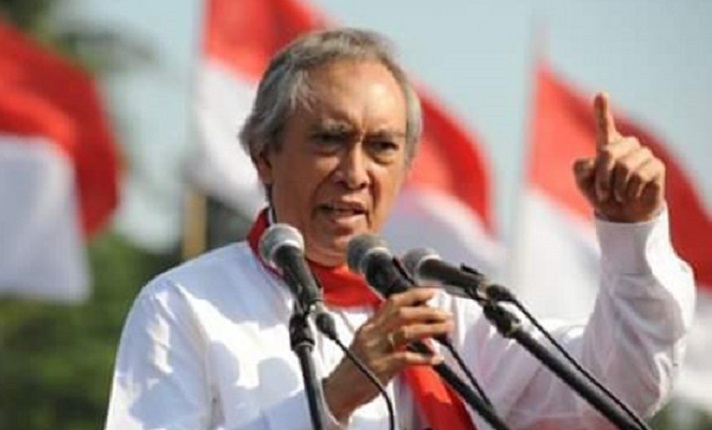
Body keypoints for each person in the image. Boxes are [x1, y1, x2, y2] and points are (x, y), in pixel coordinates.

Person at [103, 28, 696, 430]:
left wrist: (632, 233)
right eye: (329, 140)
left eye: (382, 147)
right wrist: (334, 399)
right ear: (264, 156)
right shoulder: (185, 306)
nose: (355, 172)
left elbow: (624, 386)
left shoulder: (449, 318)